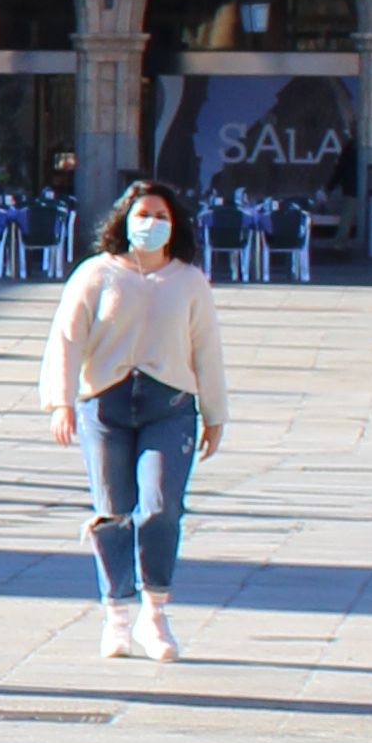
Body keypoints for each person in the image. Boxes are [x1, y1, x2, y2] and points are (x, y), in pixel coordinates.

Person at [40, 182, 232, 662]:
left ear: (174, 224)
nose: (150, 223)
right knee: (113, 510)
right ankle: (117, 613)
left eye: (160, 215)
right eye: (142, 214)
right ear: (124, 220)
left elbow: (207, 348)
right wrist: (61, 402)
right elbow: (66, 339)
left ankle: (155, 610)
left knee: (160, 507)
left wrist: (215, 413)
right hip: (104, 407)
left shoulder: (188, 281)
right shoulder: (95, 275)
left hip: (168, 408)